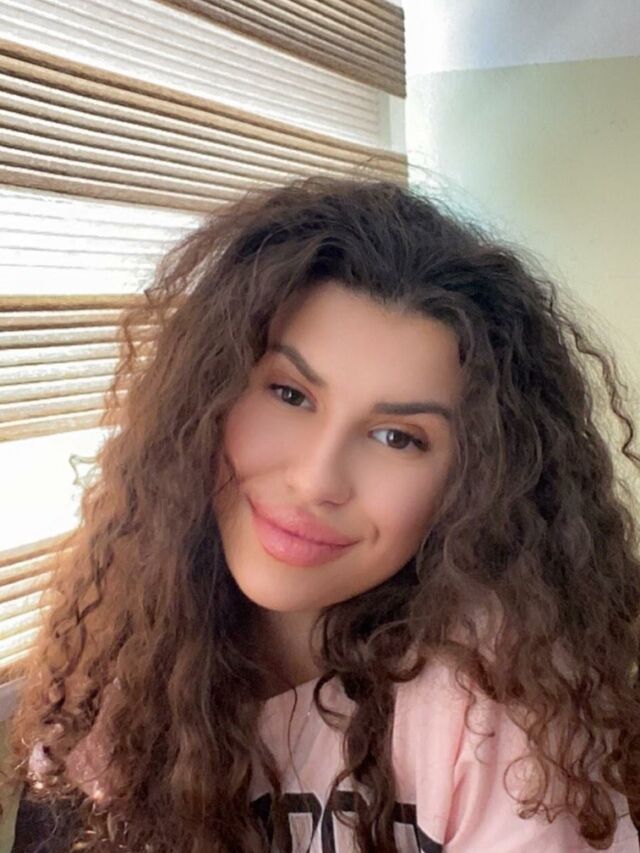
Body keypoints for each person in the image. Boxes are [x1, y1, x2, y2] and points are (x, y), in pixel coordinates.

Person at [2, 176, 639, 852]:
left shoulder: (499, 702)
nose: (315, 480)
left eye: (397, 437)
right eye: (289, 393)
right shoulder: (115, 668)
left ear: (471, 483)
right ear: (207, 396)